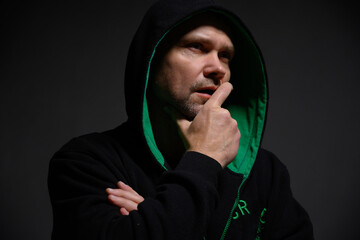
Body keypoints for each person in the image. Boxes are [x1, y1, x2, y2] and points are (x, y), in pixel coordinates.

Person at [48, 0, 314, 239]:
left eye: (225, 56)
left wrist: (154, 218)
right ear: (152, 63)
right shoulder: (86, 162)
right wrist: (205, 157)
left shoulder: (266, 173)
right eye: (196, 46)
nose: (218, 68)